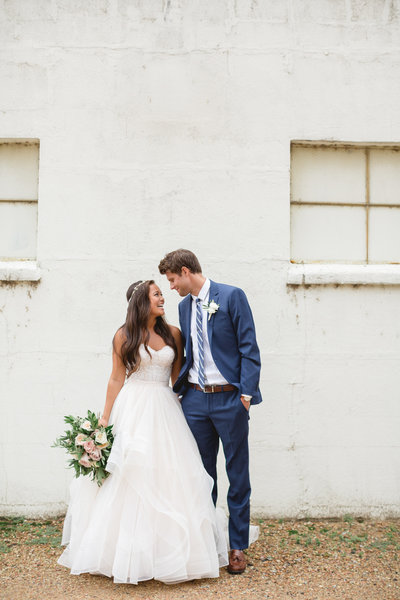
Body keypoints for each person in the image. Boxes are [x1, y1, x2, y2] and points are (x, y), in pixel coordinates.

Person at [58, 279, 228, 584]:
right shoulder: (123, 336)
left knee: (169, 474)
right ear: (141, 301)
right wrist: (104, 422)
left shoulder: (173, 333)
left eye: (162, 293)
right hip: (133, 407)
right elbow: (115, 379)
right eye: (156, 295)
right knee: (131, 474)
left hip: (165, 407)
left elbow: (178, 379)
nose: (163, 298)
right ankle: (125, 554)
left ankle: (174, 553)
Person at [158, 250, 262, 575]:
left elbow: (249, 349)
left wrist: (245, 395)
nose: (172, 287)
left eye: (173, 280)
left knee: (237, 474)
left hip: (230, 400)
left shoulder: (231, 296)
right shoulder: (183, 307)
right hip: (195, 401)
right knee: (201, 476)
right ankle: (207, 545)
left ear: (186, 271)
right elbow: (187, 352)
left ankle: (236, 546)